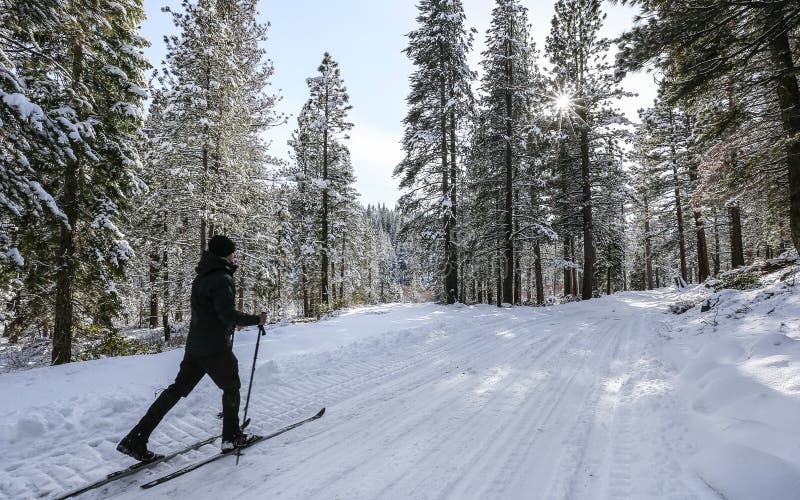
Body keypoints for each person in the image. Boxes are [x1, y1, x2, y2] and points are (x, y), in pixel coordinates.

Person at [117, 235, 266, 460]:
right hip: (214, 346)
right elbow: (226, 315)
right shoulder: (222, 278)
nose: (235, 255)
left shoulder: (202, 276)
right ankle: (231, 437)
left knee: (177, 389)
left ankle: (136, 439)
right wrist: (257, 319)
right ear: (226, 253)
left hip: (195, 344)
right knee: (231, 386)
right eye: (233, 252)